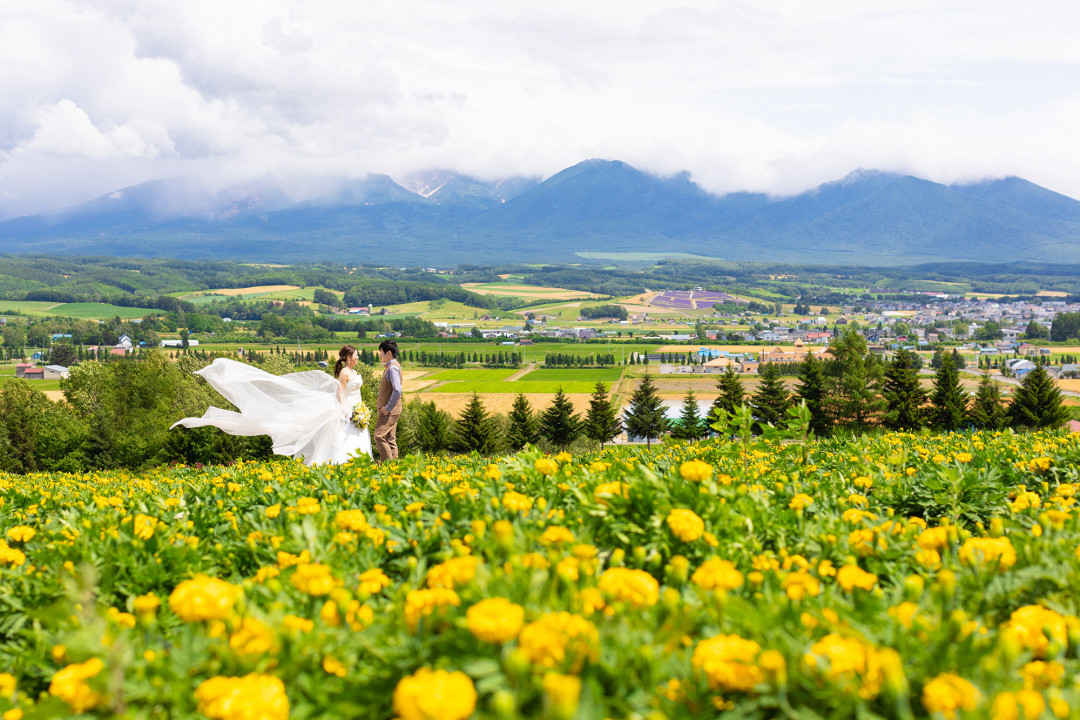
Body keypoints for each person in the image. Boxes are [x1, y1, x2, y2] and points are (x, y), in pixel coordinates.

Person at [170, 346, 372, 465]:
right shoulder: (345, 373)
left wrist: (360, 408)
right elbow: (339, 391)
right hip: (346, 408)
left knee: (357, 435)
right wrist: (344, 409)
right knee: (342, 436)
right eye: (355, 355)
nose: (357, 358)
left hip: (357, 407)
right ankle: (342, 461)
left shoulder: (354, 372)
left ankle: (361, 461)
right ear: (347, 358)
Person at [373, 339, 403, 461]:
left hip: (390, 410)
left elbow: (397, 390)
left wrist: (387, 407)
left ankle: (387, 465)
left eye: (381, 352)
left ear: (389, 353)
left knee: (379, 436)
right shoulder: (393, 366)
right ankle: (394, 466)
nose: (380, 355)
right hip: (394, 409)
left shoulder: (392, 368)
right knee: (390, 438)